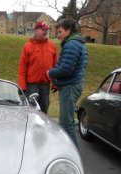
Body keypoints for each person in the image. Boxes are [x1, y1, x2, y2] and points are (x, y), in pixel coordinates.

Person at [48, 18, 88, 147]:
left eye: (60, 32)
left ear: (68, 30)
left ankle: (71, 155)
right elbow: (81, 65)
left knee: (66, 123)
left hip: (69, 87)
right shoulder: (78, 43)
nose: (57, 35)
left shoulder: (72, 44)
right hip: (72, 85)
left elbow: (66, 69)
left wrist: (50, 73)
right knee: (66, 122)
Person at [17, 21, 58, 114]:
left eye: (46, 30)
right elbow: (22, 68)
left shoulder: (52, 45)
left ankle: (42, 128)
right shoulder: (27, 46)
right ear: (36, 31)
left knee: (44, 111)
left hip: (45, 85)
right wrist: (21, 86)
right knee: (31, 111)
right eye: (43, 29)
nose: (45, 32)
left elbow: (56, 66)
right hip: (31, 86)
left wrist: (55, 82)